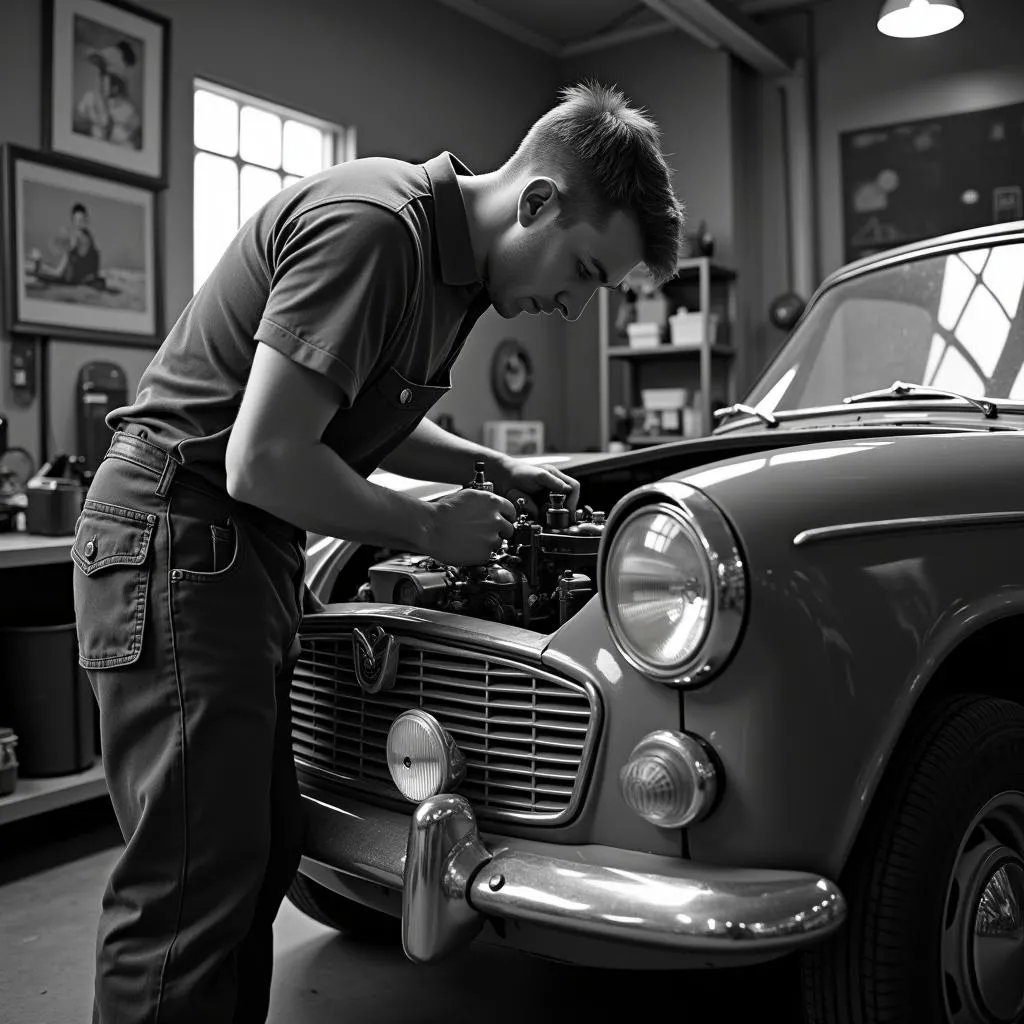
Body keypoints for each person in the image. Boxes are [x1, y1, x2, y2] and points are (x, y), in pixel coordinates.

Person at [73, 80, 685, 1024]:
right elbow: (264, 456)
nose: (575, 309)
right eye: (588, 274)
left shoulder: (451, 272)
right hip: (179, 534)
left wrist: (486, 469)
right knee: (189, 887)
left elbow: (348, 410)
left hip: (239, 551)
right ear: (537, 202)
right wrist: (431, 530)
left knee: (257, 857)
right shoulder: (376, 228)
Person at [76, 41, 142, 149]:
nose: (103, 81)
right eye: (101, 74)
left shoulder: (127, 110)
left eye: (112, 79)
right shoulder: (91, 98)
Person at [27, 202, 105, 288]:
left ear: (86, 219)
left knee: (52, 268)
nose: (78, 223)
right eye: (76, 220)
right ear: (73, 220)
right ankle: (39, 264)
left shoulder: (84, 237)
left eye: (81, 220)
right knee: (54, 267)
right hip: (73, 277)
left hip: (78, 279)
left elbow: (60, 250)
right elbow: (62, 253)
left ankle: (39, 263)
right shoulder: (77, 236)